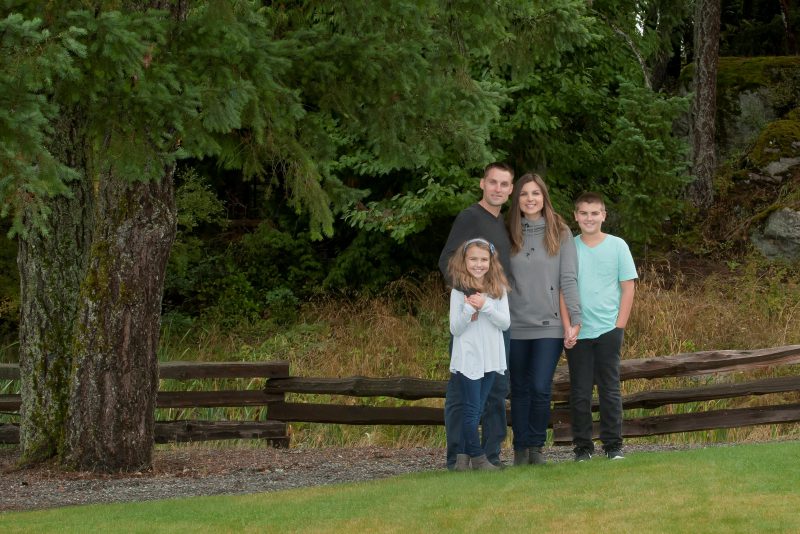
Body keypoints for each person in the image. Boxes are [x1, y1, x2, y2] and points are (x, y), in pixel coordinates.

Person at [438, 162, 514, 469]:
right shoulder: (470, 217)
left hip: (496, 319)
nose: (498, 188)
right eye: (493, 182)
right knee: (462, 388)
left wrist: (492, 304)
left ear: (510, 190)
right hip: (470, 321)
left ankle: (490, 454)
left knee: (496, 387)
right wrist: (473, 298)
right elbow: (447, 260)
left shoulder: (503, 224)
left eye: (504, 184)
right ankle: (459, 455)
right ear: (482, 183)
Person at [507, 173, 581, 466]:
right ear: (517, 199)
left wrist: (575, 318)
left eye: (535, 193)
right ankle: (520, 449)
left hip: (549, 325)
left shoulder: (559, 232)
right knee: (519, 388)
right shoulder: (508, 231)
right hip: (513, 325)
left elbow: (569, 278)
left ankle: (536, 447)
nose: (530, 199)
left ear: (544, 197)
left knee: (540, 386)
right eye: (524, 194)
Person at [563, 192, 637, 462]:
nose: (589, 218)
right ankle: (583, 448)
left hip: (609, 329)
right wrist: (568, 326)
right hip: (579, 331)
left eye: (595, 213)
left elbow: (627, 287)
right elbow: (563, 289)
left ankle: (613, 446)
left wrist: (619, 327)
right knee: (580, 393)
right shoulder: (569, 247)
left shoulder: (618, 246)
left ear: (604, 215)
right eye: (584, 213)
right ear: (575, 216)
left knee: (609, 390)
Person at [447, 238, 511, 470]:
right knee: (472, 409)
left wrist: (485, 306)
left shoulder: (498, 289)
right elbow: (455, 328)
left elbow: (504, 323)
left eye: (483, 259)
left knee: (479, 407)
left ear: (491, 262)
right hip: (469, 357)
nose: (478, 264)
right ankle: (479, 458)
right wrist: (468, 310)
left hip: (491, 356)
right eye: (473, 259)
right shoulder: (458, 291)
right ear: (464, 261)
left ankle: (462, 459)